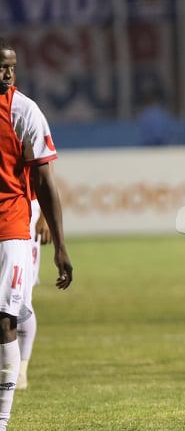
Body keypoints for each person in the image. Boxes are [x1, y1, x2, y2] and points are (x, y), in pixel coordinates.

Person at [0, 38, 73, 430]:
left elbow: (44, 180)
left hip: (12, 228)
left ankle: (3, 417)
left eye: (11, 67)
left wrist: (59, 242)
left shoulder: (24, 110)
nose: (7, 74)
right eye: (1, 67)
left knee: (9, 315)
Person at [16, 184, 51, 390]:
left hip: (27, 209)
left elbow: (45, 173)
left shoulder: (32, 148)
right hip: (7, 210)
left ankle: (21, 371)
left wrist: (44, 216)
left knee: (22, 296)